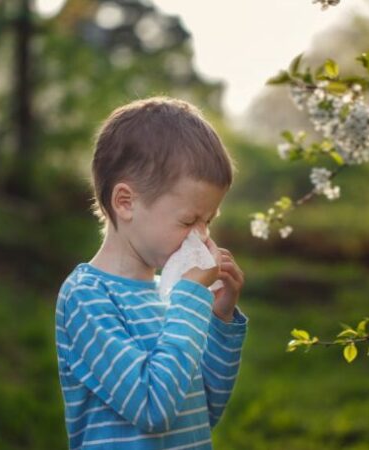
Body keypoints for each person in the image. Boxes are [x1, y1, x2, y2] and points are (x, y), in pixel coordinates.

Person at [54, 97, 248, 450]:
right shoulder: (86, 297)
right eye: (189, 220)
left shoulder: (172, 295)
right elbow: (153, 408)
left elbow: (201, 412)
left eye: (209, 221)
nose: (202, 236)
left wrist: (219, 318)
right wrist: (190, 299)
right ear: (125, 202)